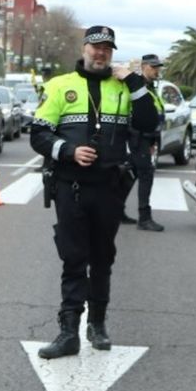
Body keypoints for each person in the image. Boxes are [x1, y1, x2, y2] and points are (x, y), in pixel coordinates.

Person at [31, 26, 158, 358]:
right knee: (73, 257)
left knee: (103, 258)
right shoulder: (60, 85)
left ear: (112, 53)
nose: (100, 53)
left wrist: (133, 81)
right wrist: (68, 150)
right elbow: (39, 134)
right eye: (95, 47)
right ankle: (68, 331)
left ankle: (97, 325)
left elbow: (148, 122)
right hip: (70, 186)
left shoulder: (125, 86)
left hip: (109, 187)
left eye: (107, 49)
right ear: (84, 48)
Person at [121, 54, 166, 231]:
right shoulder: (136, 85)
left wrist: (153, 140)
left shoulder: (150, 87)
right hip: (137, 137)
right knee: (146, 174)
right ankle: (144, 218)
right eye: (153, 67)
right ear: (143, 66)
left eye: (158, 67)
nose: (156, 70)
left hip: (146, 138)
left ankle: (117, 210)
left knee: (129, 175)